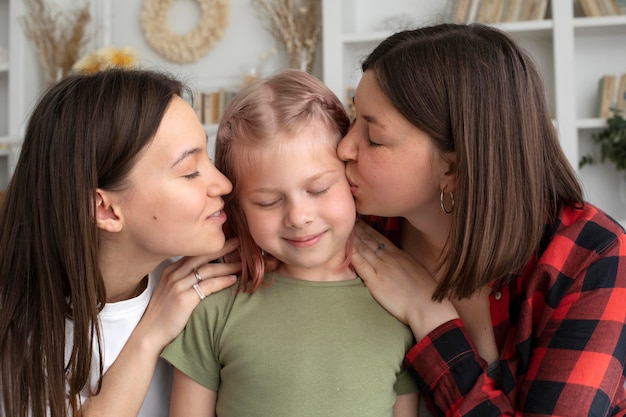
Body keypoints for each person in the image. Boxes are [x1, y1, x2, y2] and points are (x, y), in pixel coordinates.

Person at [337, 22, 626, 416]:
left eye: (373, 137)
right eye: (353, 120)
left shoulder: (590, 256)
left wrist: (428, 314)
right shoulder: (364, 222)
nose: (343, 147)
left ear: (453, 169)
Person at [161, 69, 419, 417]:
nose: (298, 217)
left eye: (318, 189)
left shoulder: (398, 306)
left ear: (351, 178)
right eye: (268, 202)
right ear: (239, 208)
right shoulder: (214, 311)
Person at [0, 69, 241, 417]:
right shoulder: (20, 331)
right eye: (190, 171)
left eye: (209, 157)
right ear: (106, 210)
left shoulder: (206, 275)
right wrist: (150, 335)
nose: (223, 184)